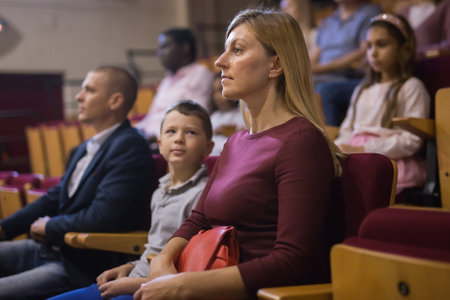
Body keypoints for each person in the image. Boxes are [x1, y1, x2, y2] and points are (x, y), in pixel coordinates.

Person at [132, 8, 343, 300]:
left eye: (237, 50)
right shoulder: (236, 142)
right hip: (203, 283)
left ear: (276, 65)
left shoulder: (301, 143)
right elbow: (199, 219)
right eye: (224, 50)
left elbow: (294, 261)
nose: (220, 61)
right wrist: (164, 261)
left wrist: (182, 286)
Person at [0, 65, 154, 299]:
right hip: (49, 250)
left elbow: (103, 217)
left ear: (115, 101)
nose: (78, 96)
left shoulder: (129, 146)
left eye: (89, 90)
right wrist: (5, 227)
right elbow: (56, 196)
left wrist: (50, 227)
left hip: (77, 265)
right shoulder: (85, 147)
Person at [47, 100, 214, 300]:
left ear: (208, 147)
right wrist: (128, 267)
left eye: (191, 132)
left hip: (156, 291)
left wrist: (133, 284)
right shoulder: (159, 191)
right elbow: (154, 248)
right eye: (171, 131)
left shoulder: (202, 195)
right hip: (134, 279)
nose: (179, 139)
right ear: (159, 145)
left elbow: (192, 268)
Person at [334, 13, 430, 193]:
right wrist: (338, 148)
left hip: (390, 161)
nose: (373, 53)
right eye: (369, 46)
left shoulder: (411, 87)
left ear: (404, 48)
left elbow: (412, 140)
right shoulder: (362, 89)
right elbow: (347, 129)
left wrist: (364, 148)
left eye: (382, 44)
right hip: (355, 157)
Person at [135, 28, 215, 143]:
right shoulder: (167, 80)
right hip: (148, 140)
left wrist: (158, 136)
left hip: (169, 142)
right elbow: (152, 117)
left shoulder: (199, 74)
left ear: (184, 48)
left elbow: (194, 118)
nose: (159, 53)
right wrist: (136, 131)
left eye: (165, 47)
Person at [311, 0, 381, 126]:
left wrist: (321, 68)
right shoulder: (327, 21)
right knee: (289, 83)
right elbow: (314, 56)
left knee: (324, 89)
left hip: (350, 77)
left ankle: (329, 142)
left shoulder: (370, 13)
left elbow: (364, 51)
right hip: (320, 77)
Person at [209, 74, 246, 156]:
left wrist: (230, 132)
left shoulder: (242, 114)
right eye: (214, 92)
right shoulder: (214, 116)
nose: (216, 97)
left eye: (220, 90)